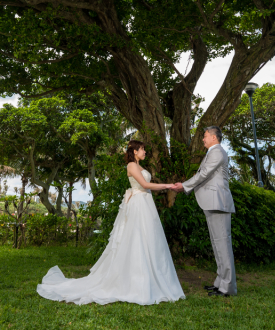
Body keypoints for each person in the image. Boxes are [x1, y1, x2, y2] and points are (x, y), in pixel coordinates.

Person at [36, 140, 185, 305]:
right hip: (138, 205)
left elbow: (146, 187)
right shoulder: (131, 166)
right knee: (137, 239)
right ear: (134, 151)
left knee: (149, 239)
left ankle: (151, 277)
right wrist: (169, 185)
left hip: (145, 204)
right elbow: (144, 184)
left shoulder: (140, 167)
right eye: (142, 149)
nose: (144, 152)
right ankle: (136, 280)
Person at [173, 126, 236, 297]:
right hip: (212, 202)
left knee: (222, 245)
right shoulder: (213, 152)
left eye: (205, 136)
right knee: (217, 245)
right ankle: (220, 283)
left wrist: (184, 185)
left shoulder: (217, 152)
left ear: (214, 137)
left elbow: (204, 174)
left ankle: (228, 287)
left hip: (218, 202)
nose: (203, 139)